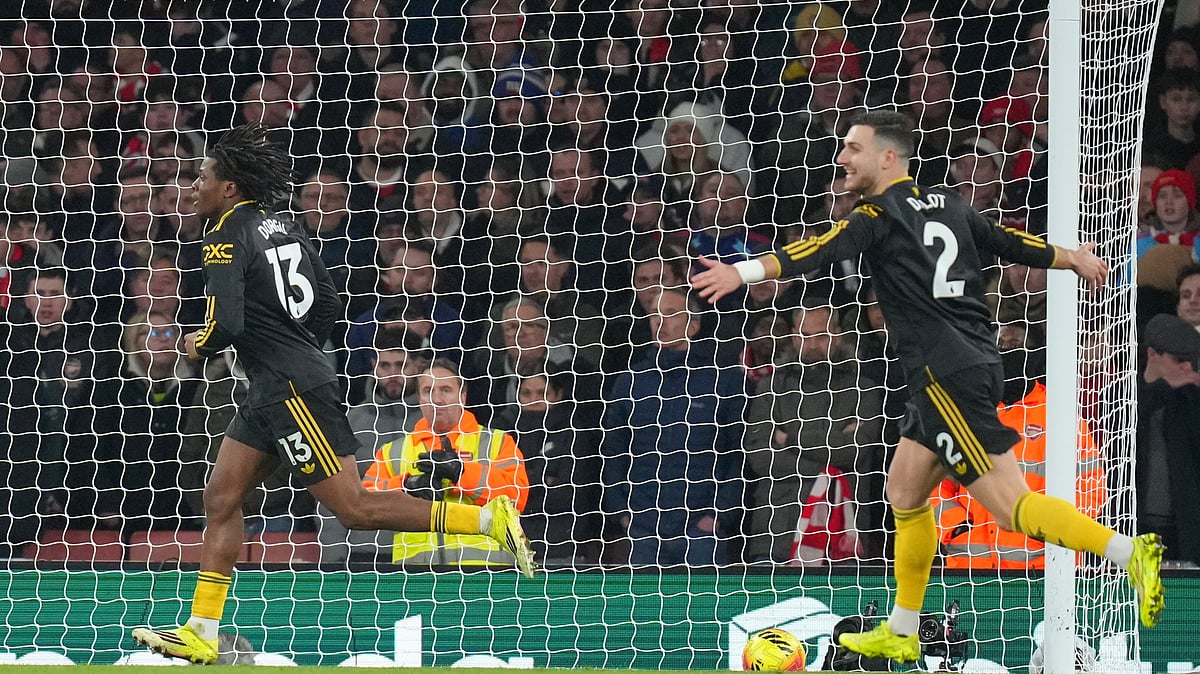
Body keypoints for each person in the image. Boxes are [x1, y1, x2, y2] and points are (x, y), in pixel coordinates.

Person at [690, 109, 1164, 662]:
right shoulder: (949, 204)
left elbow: (816, 250)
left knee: (1013, 508)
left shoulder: (875, 214)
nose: (842, 157)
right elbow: (1007, 239)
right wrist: (1072, 258)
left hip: (946, 376)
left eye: (853, 149)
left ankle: (1129, 551)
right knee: (905, 492)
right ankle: (903, 627)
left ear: (888, 158)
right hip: (962, 366)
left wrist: (740, 272)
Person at [130, 123, 535, 665]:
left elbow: (223, 324)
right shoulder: (287, 227)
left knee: (355, 510)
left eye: (202, 175)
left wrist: (196, 347)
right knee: (222, 498)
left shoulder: (223, 235)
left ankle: (487, 520)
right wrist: (293, 343)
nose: (194, 185)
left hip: (289, 389)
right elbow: (327, 303)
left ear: (229, 189)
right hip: (277, 385)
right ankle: (202, 628)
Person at [360, 359, 530, 567]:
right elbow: (364, 503)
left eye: (446, 390)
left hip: (487, 577)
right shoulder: (392, 451)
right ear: (419, 398)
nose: (436, 399)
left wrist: (462, 473)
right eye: (427, 390)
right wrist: (405, 486)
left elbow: (516, 498)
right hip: (416, 578)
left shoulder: (497, 442)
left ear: (463, 397)